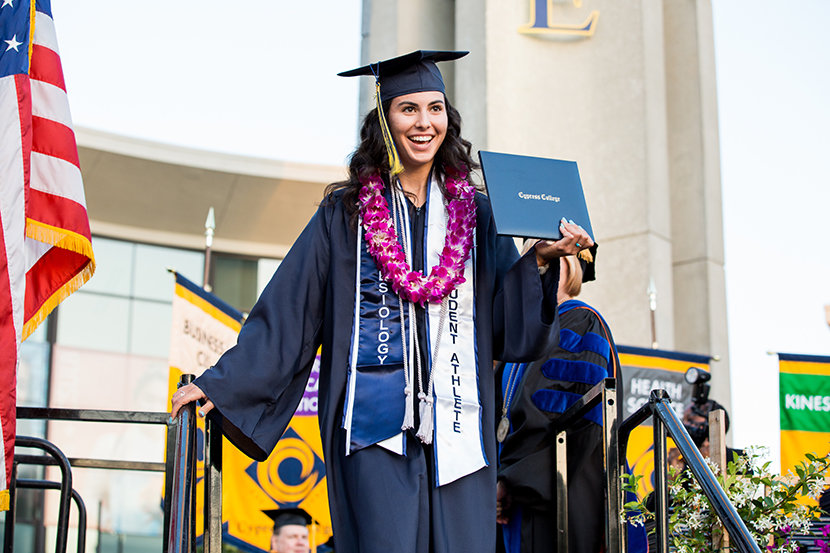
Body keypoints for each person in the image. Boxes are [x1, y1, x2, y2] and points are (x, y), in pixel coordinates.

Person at [171, 50, 593, 553]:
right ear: (385, 121)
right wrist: (224, 383)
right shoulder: (345, 214)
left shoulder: (479, 215)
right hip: (373, 433)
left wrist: (540, 262)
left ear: (448, 120)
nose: (424, 123)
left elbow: (506, 326)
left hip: (460, 431)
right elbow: (292, 309)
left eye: (435, 109)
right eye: (408, 109)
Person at [495, 246, 646, 553]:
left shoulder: (580, 322)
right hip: (517, 494)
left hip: (562, 490)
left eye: (547, 261)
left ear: (569, 269)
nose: (537, 270)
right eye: (530, 263)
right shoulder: (519, 342)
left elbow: (556, 413)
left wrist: (511, 480)